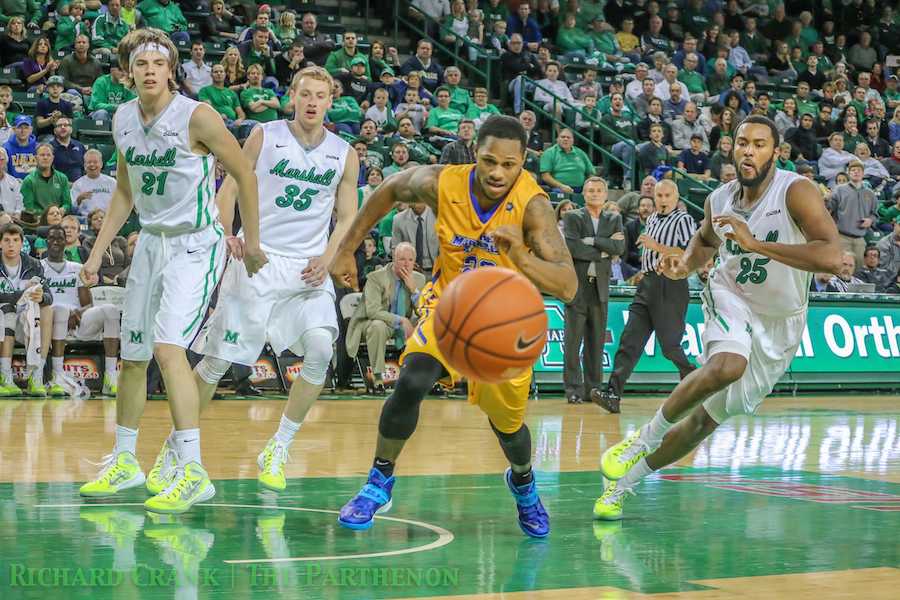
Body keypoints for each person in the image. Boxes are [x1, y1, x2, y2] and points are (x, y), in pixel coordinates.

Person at [328, 115, 577, 537]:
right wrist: (346, 248)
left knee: (509, 428)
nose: (498, 172)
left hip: (502, 323)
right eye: (489, 161)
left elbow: (568, 285)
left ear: (523, 163)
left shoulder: (533, 207)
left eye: (509, 165)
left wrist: (522, 257)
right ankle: (379, 480)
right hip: (449, 304)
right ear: (474, 152)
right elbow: (388, 190)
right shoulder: (441, 183)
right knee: (410, 381)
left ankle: (523, 482)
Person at [593, 115, 843, 520]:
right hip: (732, 295)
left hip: (781, 321)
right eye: (742, 142)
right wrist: (685, 266)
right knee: (727, 364)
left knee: (703, 423)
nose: (749, 150)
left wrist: (755, 244)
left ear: (775, 153)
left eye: (760, 144)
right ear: (731, 148)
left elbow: (831, 257)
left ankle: (624, 483)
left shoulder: (796, 191)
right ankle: (641, 439)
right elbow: (706, 242)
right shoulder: (719, 199)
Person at [78, 29, 267, 515]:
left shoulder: (197, 116)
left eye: (157, 63)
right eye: (140, 63)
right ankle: (125, 460)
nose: (149, 70)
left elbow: (244, 172)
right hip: (151, 245)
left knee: (167, 348)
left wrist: (253, 241)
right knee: (134, 355)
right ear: (127, 72)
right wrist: (98, 252)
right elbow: (125, 192)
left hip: (194, 243)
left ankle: (192, 469)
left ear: (171, 69)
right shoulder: (121, 118)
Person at [186, 65, 357, 494]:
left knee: (320, 349)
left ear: (330, 101)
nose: (313, 101)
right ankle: (178, 449)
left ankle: (279, 447)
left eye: (321, 95)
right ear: (293, 98)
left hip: (306, 269)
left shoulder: (345, 152)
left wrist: (328, 256)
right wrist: (227, 236)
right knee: (216, 362)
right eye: (306, 94)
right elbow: (229, 190)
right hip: (257, 260)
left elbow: (348, 215)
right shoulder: (266, 134)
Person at [592, 179, 698, 414]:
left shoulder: (683, 220)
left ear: (677, 197)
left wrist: (656, 246)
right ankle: (613, 394)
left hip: (670, 285)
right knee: (629, 341)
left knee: (670, 346)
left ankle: (695, 380)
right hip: (647, 283)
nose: (662, 201)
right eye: (659, 196)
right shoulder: (650, 220)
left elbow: (689, 254)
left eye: (667, 196)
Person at [562, 177, 625, 404]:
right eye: (590, 191)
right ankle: (573, 390)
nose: (595, 194)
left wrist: (592, 241)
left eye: (599, 190)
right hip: (578, 287)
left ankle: (593, 389)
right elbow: (573, 248)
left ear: (606, 194)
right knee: (572, 342)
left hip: (600, 288)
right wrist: (603, 250)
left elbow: (619, 247)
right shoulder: (572, 217)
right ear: (584, 194)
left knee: (596, 342)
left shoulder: (614, 218)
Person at [41, 224, 121, 396]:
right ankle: (57, 374)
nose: (56, 242)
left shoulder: (77, 268)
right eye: (52, 238)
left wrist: (78, 313)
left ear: (65, 242)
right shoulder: (39, 267)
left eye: (60, 239)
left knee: (111, 310)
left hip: (77, 323)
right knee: (60, 309)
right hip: (49, 324)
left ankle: (110, 376)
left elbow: (87, 304)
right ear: (46, 241)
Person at [346, 242, 426, 395]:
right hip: (370, 323)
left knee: (428, 326)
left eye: (410, 260)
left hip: (401, 325)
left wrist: (414, 290)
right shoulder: (376, 278)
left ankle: (426, 379)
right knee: (378, 326)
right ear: (394, 260)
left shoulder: (419, 279)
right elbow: (373, 311)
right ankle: (378, 380)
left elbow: (423, 311)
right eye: (402, 259)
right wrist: (401, 320)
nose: (406, 264)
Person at [0, 223, 53, 396]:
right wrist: (21, 294)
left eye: (15, 240)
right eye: (6, 240)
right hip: (2, 319)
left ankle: (36, 375)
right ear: (0, 243)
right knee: (7, 310)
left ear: (22, 243)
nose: (11, 244)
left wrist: (41, 297)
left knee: (46, 309)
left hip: (25, 322)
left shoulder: (34, 265)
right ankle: (5, 376)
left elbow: (49, 296)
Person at [827, 160, 878, 265]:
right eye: (853, 170)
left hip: (860, 239)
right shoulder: (839, 190)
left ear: (863, 174)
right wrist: (826, 199)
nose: (856, 172)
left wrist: (870, 220)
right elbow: (829, 209)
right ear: (849, 173)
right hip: (842, 237)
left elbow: (875, 215)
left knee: (858, 270)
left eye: (859, 170)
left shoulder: (870, 194)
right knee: (841, 267)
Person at [21, 143, 71, 215]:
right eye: (42, 155)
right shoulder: (28, 181)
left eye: (48, 155)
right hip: (37, 222)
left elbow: (67, 203)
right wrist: (49, 214)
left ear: (53, 158)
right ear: (36, 158)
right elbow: (29, 208)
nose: (45, 157)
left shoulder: (63, 178)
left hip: (58, 220)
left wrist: (63, 209)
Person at [391, 202, 438, 276]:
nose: (416, 202)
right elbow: (395, 248)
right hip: (411, 272)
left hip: (438, 270)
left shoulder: (439, 215)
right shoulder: (398, 219)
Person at [70, 149, 115, 216]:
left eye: (95, 162)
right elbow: (73, 210)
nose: (92, 164)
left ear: (101, 164)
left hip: (108, 219)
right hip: (87, 220)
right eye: (89, 162)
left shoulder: (112, 182)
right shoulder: (78, 184)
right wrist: (79, 199)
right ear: (85, 165)